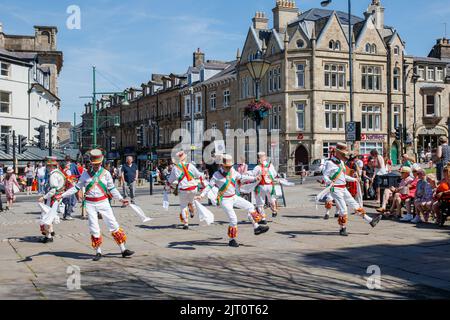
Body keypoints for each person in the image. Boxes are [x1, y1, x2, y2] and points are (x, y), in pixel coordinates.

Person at [61, 149, 133, 261]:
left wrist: (120, 199)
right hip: (90, 203)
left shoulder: (106, 173)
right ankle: (98, 251)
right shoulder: (85, 174)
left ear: (101, 162)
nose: (96, 165)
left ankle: (123, 249)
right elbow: (76, 188)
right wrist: (62, 195)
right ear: (91, 163)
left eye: (98, 163)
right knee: (94, 227)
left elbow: (112, 188)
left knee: (113, 224)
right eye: (94, 164)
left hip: (103, 202)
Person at [196, 154, 269, 247]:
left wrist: (254, 178)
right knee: (233, 220)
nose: (229, 168)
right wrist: (201, 195)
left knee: (250, 206)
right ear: (221, 165)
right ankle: (232, 240)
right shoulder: (216, 175)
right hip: (224, 200)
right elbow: (209, 186)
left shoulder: (233, 171)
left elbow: (242, 177)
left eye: (230, 166)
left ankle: (256, 227)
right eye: (227, 166)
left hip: (233, 197)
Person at [323, 143, 381, 236]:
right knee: (343, 209)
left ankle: (370, 220)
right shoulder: (330, 163)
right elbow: (325, 176)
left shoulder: (341, 163)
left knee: (354, 204)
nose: (345, 156)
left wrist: (354, 179)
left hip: (343, 187)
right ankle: (342, 228)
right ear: (337, 153)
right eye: (343, 154)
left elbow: (343, 176)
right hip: (335, 189)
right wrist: (328, 181)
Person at [167, 151, 204, 229]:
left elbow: (170, 179)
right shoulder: (190, 165)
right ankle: (192, 210)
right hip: (193, 188)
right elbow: (198, 174)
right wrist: (203, 176)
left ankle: (186, 223)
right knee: (191, 201)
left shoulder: (175, 168)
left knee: (183, 205)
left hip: (183, 189)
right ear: (185, 158)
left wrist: (167, 185)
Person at [37, 157, 66, 243]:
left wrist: (44, 197)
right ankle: (49, 233)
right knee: (49, 216)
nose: (46, 167)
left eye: (47, 166)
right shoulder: (59, 173)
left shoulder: (53, 175)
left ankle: (48, 235)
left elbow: (53, 190)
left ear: (51, 166)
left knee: (47, 216)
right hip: (58, 198)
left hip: (53, 198)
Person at [251, 152, 280, 220]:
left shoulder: (258, 167)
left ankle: (263, 218)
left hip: (261, 186)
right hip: (270, 185)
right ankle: (274, 210)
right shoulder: (271, 166)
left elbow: (253, 176)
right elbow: (275, 174)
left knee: (260, 202)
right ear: (266, 158)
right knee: (272, 199)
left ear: (258, 159)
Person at [62, 155, 80, 220]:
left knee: (72, 200)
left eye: (68, 161)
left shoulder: (74, 166)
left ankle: (67, 214)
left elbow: (78, 175)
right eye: (66, 161)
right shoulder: (64, 167)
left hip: (71, 185)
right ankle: (66, 214)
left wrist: (74, 180)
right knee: (66, 200)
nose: (67, 162)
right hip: (65, 186)